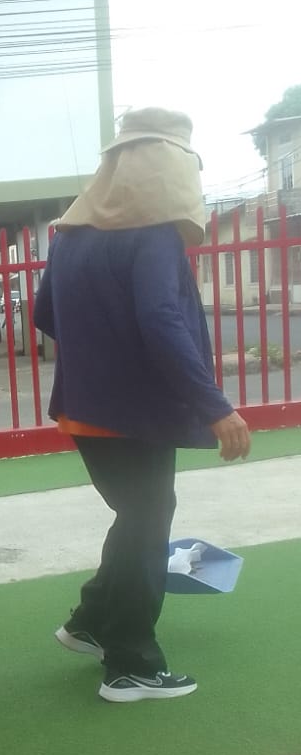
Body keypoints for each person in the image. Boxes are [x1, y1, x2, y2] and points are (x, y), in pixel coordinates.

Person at [33, 107, 250, 704]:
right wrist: (215, 406)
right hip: (134, 414)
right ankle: (131, 665)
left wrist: (98, 352)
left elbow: (44, 313)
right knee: (148, 523)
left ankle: (89, 622)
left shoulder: (71, 235)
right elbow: (160, 320)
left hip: (83, 407)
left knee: (139, 516)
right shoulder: (154, 234)